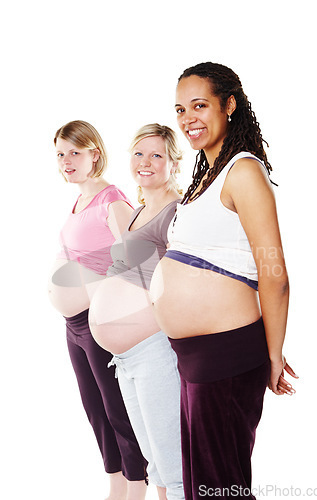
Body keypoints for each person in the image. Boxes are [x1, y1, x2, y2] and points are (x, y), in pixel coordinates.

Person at [150, 63, 299, 500]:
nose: (187, 118)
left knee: (220, 489)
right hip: (195, 357)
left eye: (200, 105)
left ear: (229, 105)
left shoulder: (244, 172)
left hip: (227, 354)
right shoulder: (203, 181)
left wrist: (273, 354)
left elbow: (275, 273)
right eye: (180, 109)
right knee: (205, 488)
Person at [48, 120, 148, 500]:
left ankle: (136, 488)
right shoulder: (77, 202)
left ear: (95, 153)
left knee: (116, 409)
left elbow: (137, 258)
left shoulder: (112, 199)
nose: (66, 161)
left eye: (75, 152)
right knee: (94, 409)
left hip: (97, 323)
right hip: (72, 324)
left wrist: (96, 282)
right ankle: (116, 484)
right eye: (60, 154)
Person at [89, 123, 185, 500]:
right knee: (154, 462)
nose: (145, 162)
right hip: (124, 358)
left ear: (174, 163)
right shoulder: (138, 210)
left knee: (173, 466)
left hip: (154, 351)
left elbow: (184, 283)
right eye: (139, 153)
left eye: (157, 154)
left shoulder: (177, 212)